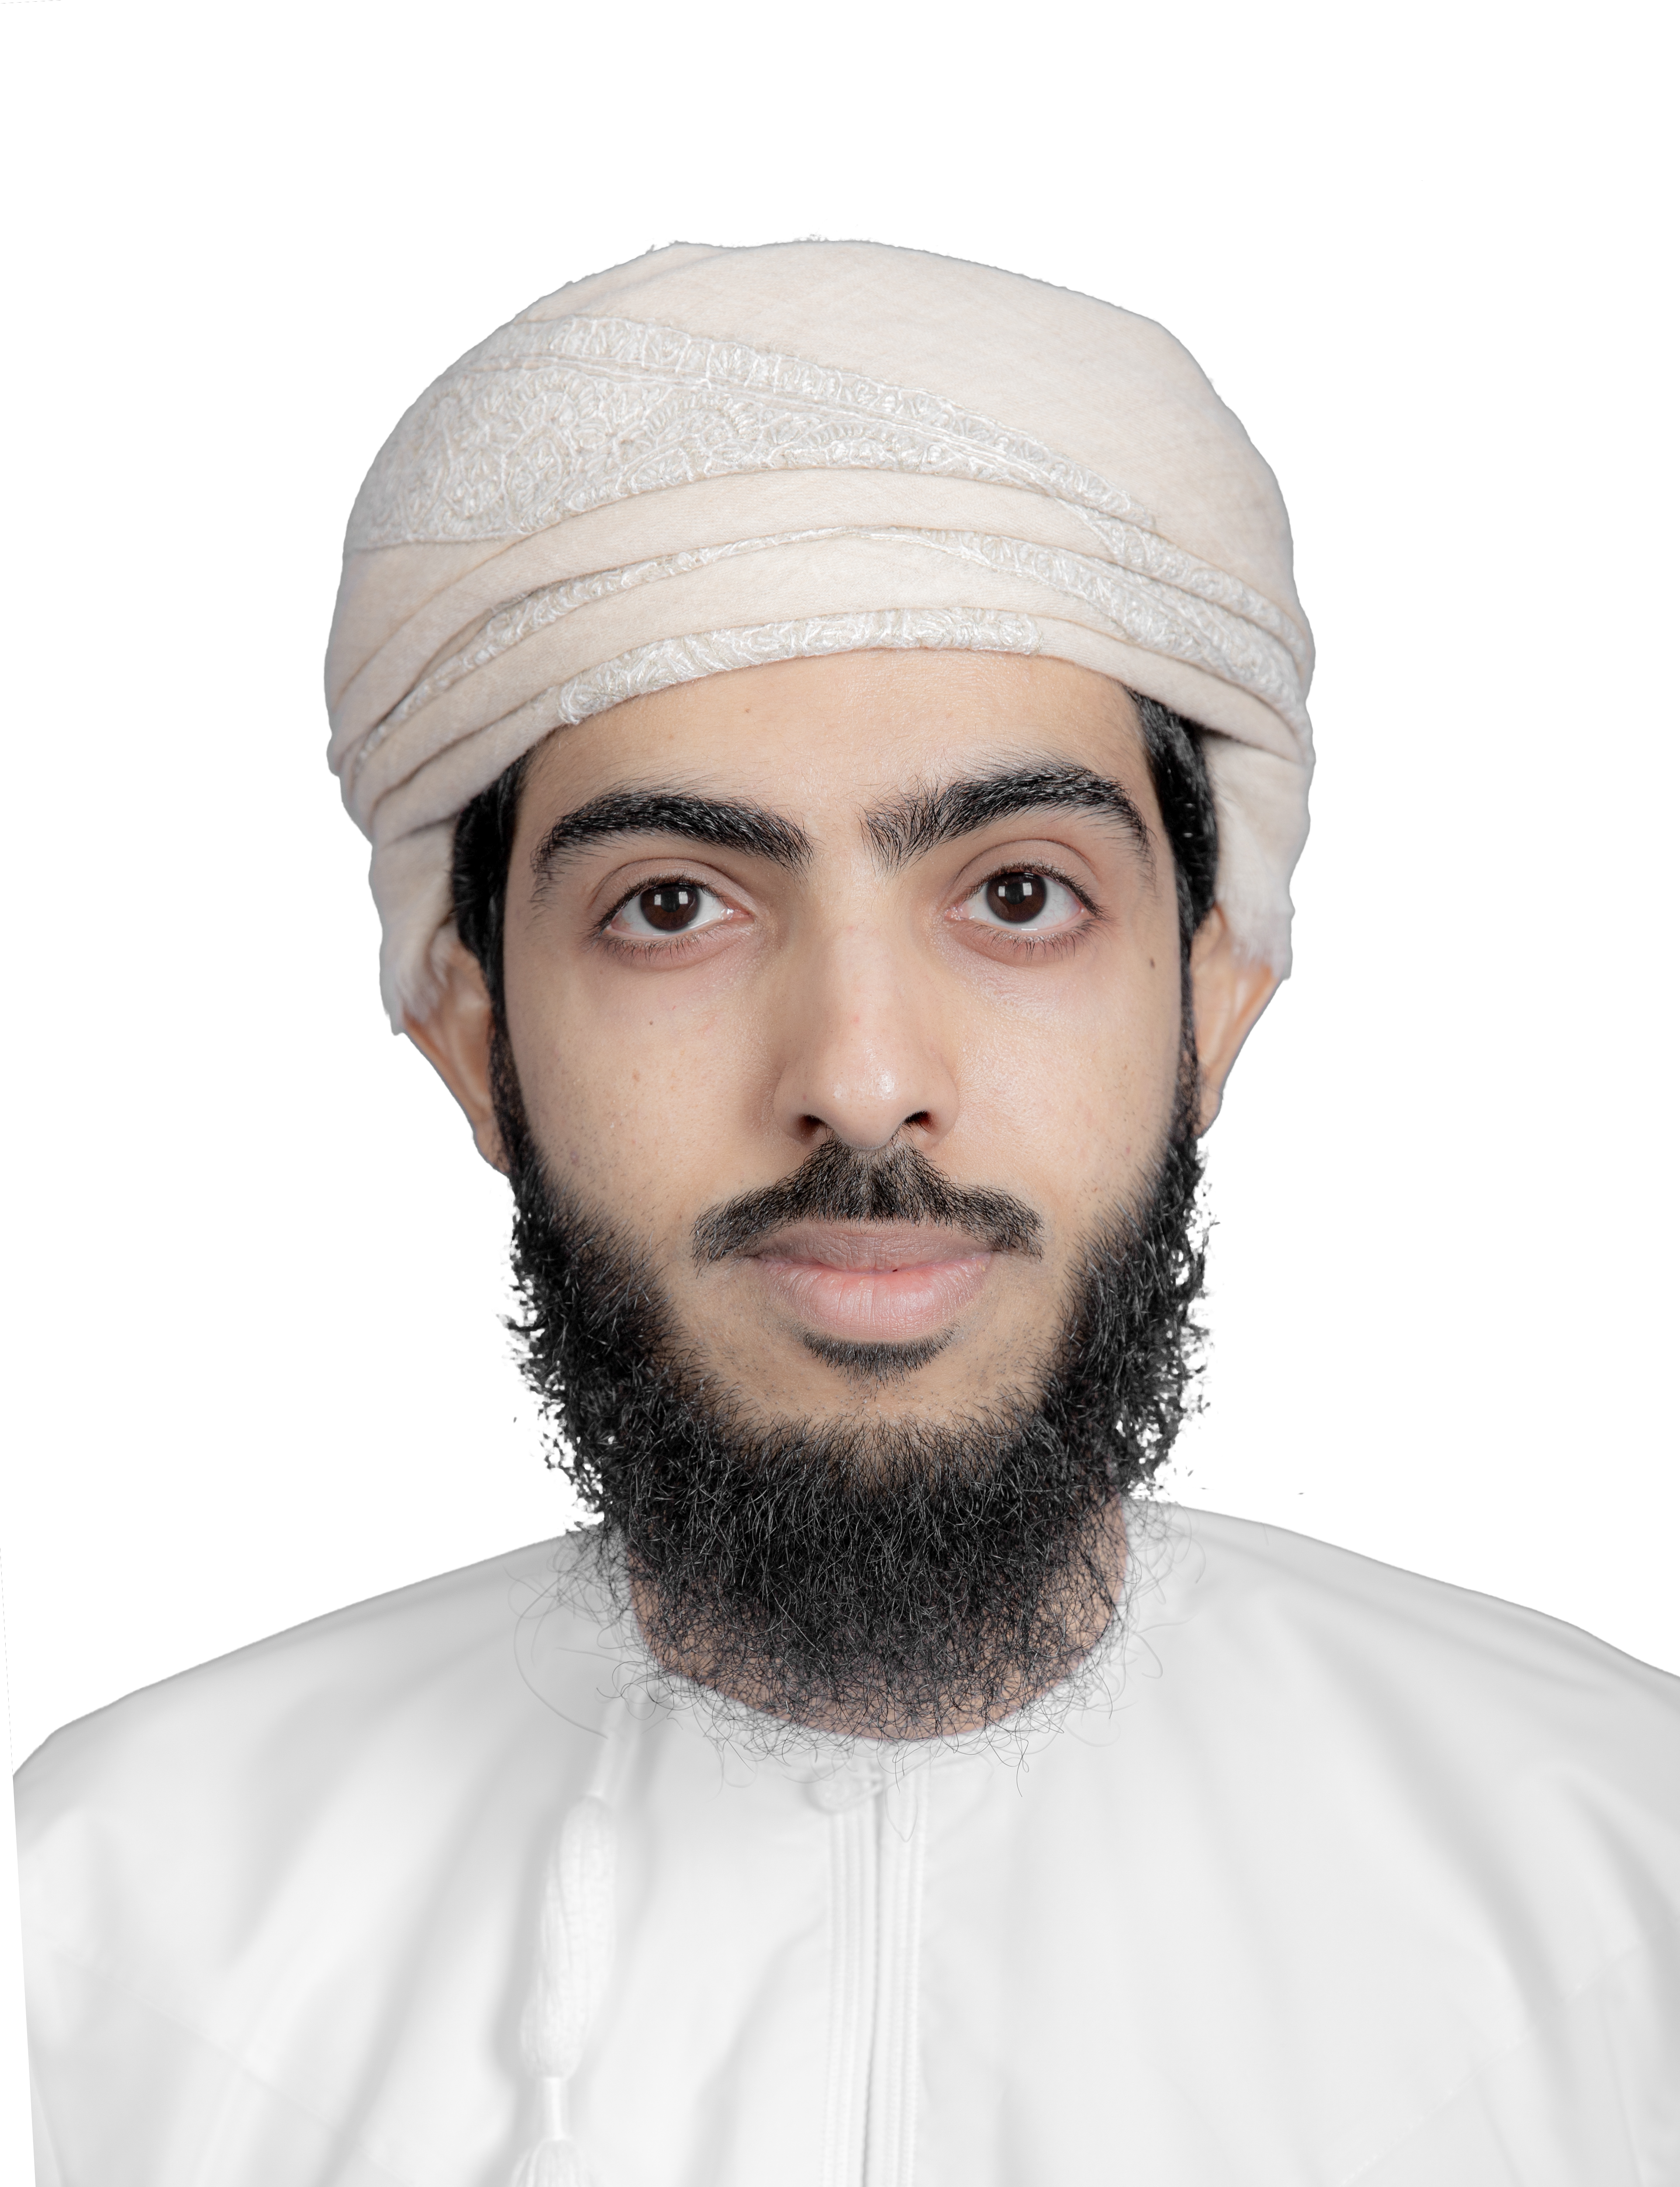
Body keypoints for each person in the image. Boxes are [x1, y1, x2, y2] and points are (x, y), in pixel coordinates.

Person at [17, 242, 1680, 2186]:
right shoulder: (102, 1934)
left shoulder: (1623, 1886)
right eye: (672, 905)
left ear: (1213, 998)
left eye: (1017, 895)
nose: (864, 1075)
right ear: (472, 1033)